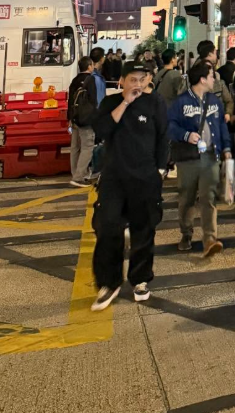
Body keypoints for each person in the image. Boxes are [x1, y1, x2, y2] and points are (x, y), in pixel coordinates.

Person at [90, 61, 169, 311]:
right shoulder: (111, 102)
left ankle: (140, 279)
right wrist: (125, 102)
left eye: (142, 79)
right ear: (122, 81)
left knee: (143, 231)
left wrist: (161, 169)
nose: (138, 84)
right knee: (107, 227)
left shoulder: (155, 103)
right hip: (114, 178)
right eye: (132, 79)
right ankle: (109, 282)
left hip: (145, 178)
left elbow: (163, 137)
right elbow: (102, 130)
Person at [167, 62, 233, 258]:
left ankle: (210, 239)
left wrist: (226, 148)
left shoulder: (215, 101)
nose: (214, 80)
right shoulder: (181, 102)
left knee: (208, 198)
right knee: (186, 199)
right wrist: (186, 135)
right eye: (212, 76)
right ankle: (186, 233)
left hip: (211, 156)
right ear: (203, 79)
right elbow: (169, 126)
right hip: (188, 158)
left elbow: (221, 126)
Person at [67, 56, 97, 188]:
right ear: (89, 66)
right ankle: (79, 177)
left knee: (75, 147)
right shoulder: (91, 80)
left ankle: (75, 173)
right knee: (87, 147)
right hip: (86, 119)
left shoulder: (75, 80)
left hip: (75, 118)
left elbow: (70, 100)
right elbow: (93, 101)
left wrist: (69, 118)